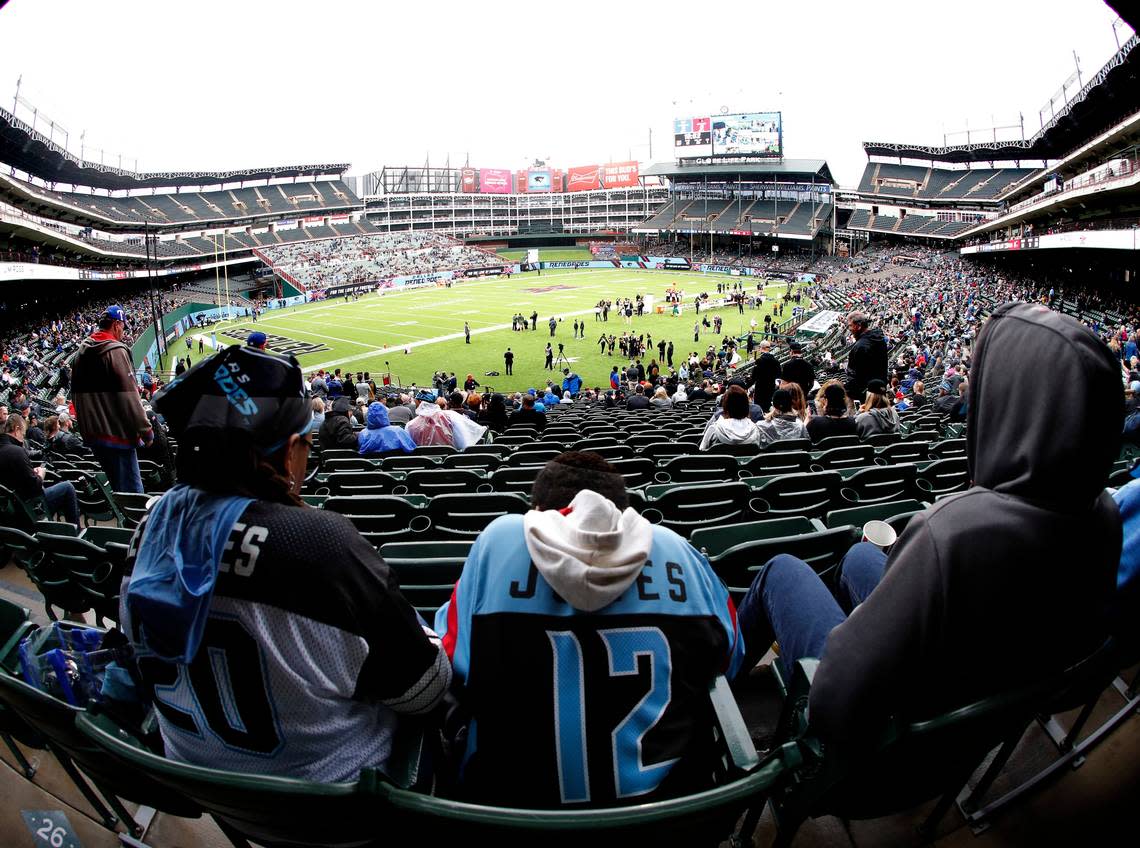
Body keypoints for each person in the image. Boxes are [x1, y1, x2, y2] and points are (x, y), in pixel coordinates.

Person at [735, 302, 1121, 744]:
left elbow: (836, 698)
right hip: (970, 732)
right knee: (860, 554)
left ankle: (720, 689)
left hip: (877, 747)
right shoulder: (1104, 514)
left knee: (782, 570)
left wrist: (855, 632)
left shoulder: (953, 531)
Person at [122, 345, 449, 782]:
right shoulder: (319, 546)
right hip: (328, 804)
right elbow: (426, 689)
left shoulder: (150, 525)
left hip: (202, 783)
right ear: (291, 448)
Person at [434, 452, 743, 806]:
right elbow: (730, 660)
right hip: (667, 819)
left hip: (510, 822)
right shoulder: (677, 550)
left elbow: (451, 659)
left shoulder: (499, 540)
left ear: (537, 509)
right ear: (622, 511)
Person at [71, 305, 153, 493]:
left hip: (94, 436)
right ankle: (136, 523)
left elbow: (74, 396)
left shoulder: (80, 353)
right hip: (116, 435)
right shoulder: (115, 350)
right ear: (116, 325)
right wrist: (146, 430)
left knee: (119, 490)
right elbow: (129, 396)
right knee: (133, 495)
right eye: (123, 326)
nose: (123, 331)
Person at [0, 413, 80, 526]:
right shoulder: (16, 451)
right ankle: (75, 533)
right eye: (23, 433)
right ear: (17, 429)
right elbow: (35, 487)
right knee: (68, 487)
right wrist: (40, 475)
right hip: (27, 509)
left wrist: (31, 474)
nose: (23, 437)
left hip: (8, 512)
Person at [843, 311, 888, 403]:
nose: (849, 329)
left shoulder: (861, 347)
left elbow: (857, 377)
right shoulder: (879, 339)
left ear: (858, 326)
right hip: (879, 390)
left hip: (866, 397)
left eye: (850, 325)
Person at [699, 386, 760, 450]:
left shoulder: (714, 429)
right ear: (747, 406)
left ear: (725, 406)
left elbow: (702, 451)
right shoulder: (755, 429)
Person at [751, 340, 782, 412]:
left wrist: (745, 387)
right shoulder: (776, 361)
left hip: (760, 390)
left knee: (759, 410)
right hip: (771, 389)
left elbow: (754, 377)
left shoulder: (759, 360)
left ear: (761, 348)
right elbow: (779, 376)